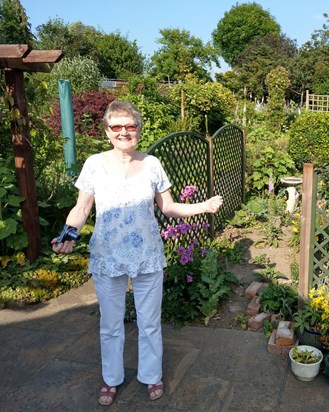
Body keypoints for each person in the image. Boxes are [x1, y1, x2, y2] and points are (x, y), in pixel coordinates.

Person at [52, 100, 223, 406]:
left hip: (147, 255)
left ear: (138, 130)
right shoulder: (94, 164)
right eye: (116, 126)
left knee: (150, 322)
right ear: (107, 132)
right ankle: (111, 379)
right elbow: (82, 207)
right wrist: (69, 233)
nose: (124, 132)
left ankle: (151, 375)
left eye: (130, 126)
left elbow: (168, 207)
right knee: (111, 323)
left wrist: (204, 206)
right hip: (108, 256)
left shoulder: (153, 164)